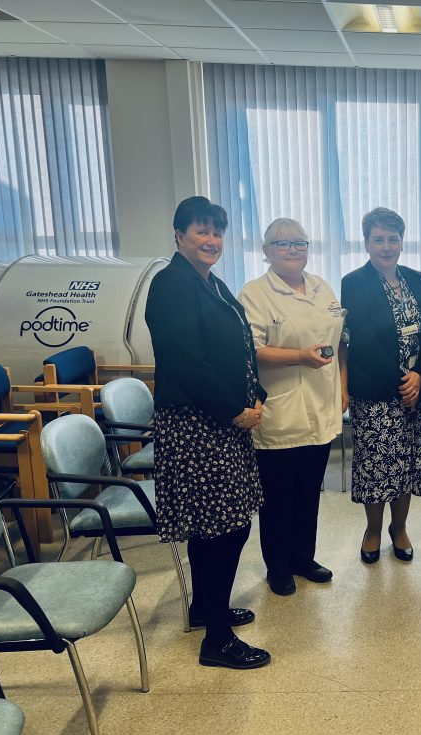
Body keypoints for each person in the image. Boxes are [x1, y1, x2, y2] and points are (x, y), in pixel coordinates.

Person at [145, 196, 270, 670]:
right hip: (198, 425)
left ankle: (205, 608)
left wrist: (254, 394)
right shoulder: (171, 285)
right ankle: (217, 638)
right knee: (226, 528)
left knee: (218, 526)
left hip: (223, 421)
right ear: (178, 235)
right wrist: (235, 410)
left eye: (216, 231)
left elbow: (240, 350)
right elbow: (186, 361)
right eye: (200, 230)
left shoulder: (211, 284)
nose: (211, 239)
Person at [238, 218, 344, 597]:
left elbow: (337, 335)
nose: (292, 250)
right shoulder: (254, 293)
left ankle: (303, 557)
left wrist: (341, 385)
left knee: (308, 492)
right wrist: (299, 355)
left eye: (299, 243)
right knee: (279, 496)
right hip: (281, 411)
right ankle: (278, 566)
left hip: (320, 405)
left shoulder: (321, 287)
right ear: (266, 251)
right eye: (282, 244)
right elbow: (249, 350)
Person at [340, 208, 421, 564]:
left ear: (402, 242)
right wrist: (396, 384)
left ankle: (400, 528)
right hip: (375, 395)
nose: (386, 246)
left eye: (393, 238)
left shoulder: (417, 279)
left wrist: (419, 376)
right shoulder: (353, 283)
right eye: (378, 239)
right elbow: (351, 343)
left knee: (407, 464)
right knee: (377, 468)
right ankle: (373, 530)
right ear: (366, 243)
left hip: (413, 393)